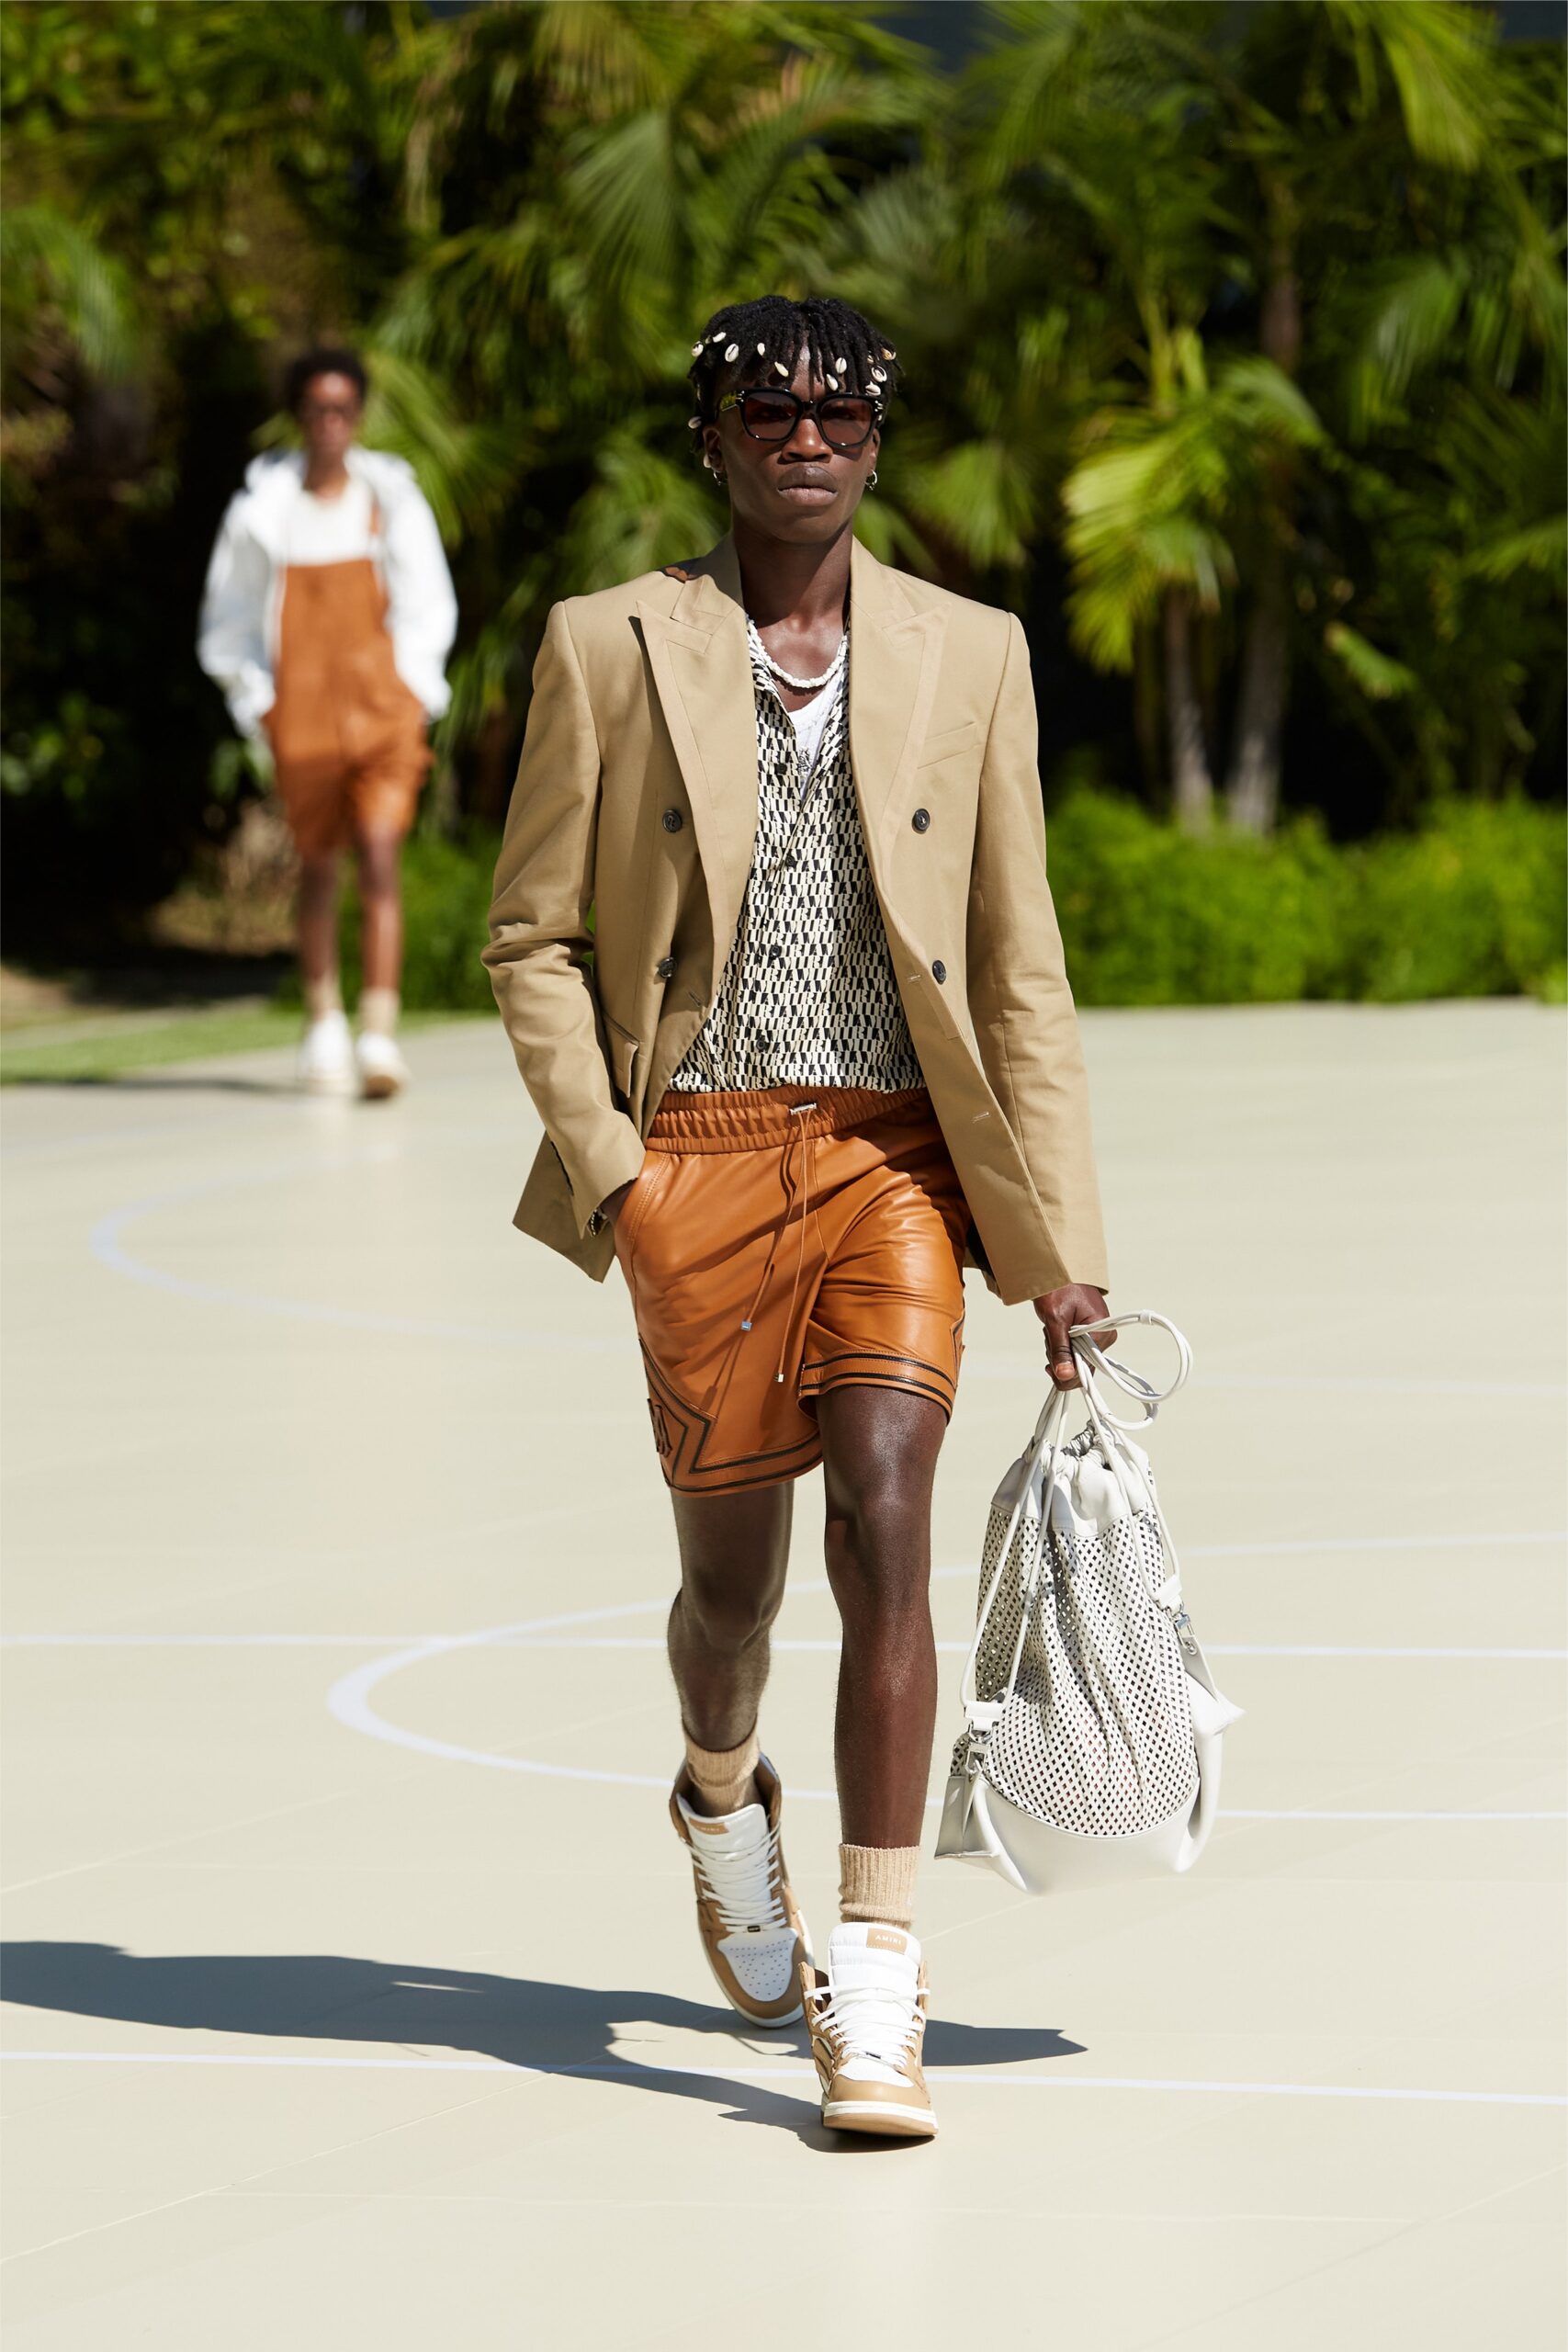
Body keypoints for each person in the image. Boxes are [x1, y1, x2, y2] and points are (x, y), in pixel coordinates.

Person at [484, 295, 1110, 2142]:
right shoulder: (606, 646)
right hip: (695, 1153)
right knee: (727, 1597)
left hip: (898, 1156)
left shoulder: (971, 651)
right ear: (716, 435)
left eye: (841, 406)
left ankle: (878, 1975)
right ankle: (711, 1783)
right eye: (770, 405)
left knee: (887, 1526)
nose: (808, 432)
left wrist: (1063, 1250)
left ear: (877, 435)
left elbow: (1019, 970)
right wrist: (616, 1172)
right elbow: (529, 939)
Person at [198, 346, 457, 1099]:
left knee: (379, 851)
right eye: (318, 409)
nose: (331, 423)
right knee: (317, 863)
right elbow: (232, 615)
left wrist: (413, 692)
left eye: (344, 408)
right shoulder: (260, 512)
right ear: (299, 415)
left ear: (359, 415)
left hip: (383, 707)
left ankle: (379, 1032)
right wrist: (260, 702)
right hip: (301, 711)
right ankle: (323, 1024)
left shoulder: (390, 499)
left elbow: (426, 602)